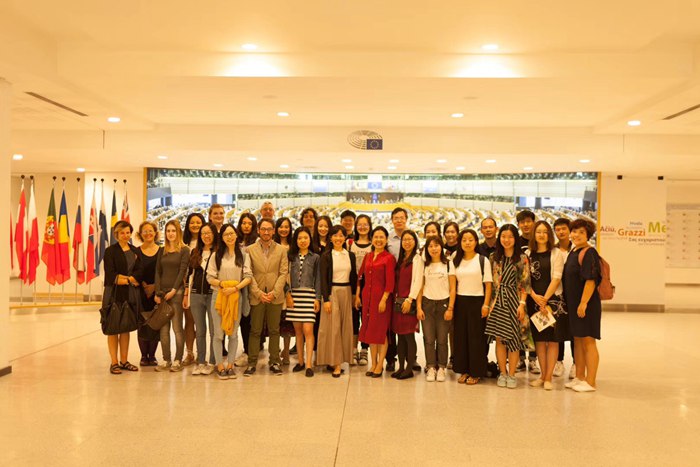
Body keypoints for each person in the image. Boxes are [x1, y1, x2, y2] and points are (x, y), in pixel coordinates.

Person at [485, 224, 531, 389]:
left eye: (510, 237)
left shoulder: (522, 258)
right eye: (503, 236)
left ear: (515, 239)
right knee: (500, 339)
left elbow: (525, 283)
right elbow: (490, 283)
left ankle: (512, 375)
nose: (506, 240)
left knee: (514, 340)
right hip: (497, 302)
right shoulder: (493, 257)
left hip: (515, 302)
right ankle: (502, 373)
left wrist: (522, 304)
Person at [244, 218, 289, 376]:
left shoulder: (281, 250)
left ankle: (275, 361)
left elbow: (283, 273)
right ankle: (252, 362)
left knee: (274, 330)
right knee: (255, 330)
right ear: (258, 230)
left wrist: (274, 293)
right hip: (257, 296)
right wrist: (258, 293)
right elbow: (248, 273)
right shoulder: (249, 250)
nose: (266, 232)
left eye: (269, 229)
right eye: (263, 229)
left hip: (275, 296)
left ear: (274, 231)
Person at [206, 224, 252, 379]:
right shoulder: (216, 255)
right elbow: (210, 277)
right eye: (226, 234)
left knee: (233, 333)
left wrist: (235, 288)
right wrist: (222, 284)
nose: (229, 237)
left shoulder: (243, 255)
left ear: (236, 235)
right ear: (222, 237)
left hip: (236, 297)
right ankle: (220, 366)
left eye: (232, 233)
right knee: (218, 334)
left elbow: (248, 277)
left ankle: (230, 365)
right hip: (218, 296)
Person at [562, 218, 602, 393]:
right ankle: (579, 377)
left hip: (586, 305)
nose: (576, 235)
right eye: (574, 231)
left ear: (588, 235)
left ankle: (591, 382)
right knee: (577, 341)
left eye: (581, 232)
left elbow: (591, 280)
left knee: (588, 341)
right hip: (574, 305)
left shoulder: (589, 252)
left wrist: (583, 303)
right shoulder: (573, 251)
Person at [526, 221, 565, 390]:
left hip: (553, 302)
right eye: (538, 232)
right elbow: (525, 279)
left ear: (549, 234)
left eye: (545, 232)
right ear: (533, 235)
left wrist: (545, 300)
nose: (541, 235)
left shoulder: (556, 253)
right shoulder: (528, 253)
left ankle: (549, 377)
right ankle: (543, 376)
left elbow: (557, 278)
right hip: (534, 301)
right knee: (540, 341)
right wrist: (535, 297)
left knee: (553, 340)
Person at [452, 229, 492, 385]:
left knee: (476, 339)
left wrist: (486, 305)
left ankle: (476, 372)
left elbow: (488, 285)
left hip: (477, 301)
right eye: (464, 240)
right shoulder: (456, 259)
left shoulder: (482, 260)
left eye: (470, 240)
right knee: (461, 338)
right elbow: (453, 284)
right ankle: (464, 370)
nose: (467, 243)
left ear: (476, 242)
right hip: (460, 302)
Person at [102, 220, 142, 374]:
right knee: (113, 328)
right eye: (122, 233)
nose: (125, 235)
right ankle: (114, 362)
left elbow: (139, 272)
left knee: (126, 328)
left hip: (130, 294)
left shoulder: (135, 251)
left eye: (128, 232)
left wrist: (129, 279)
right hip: (113, 293)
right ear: (116, 234)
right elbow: (111, 275)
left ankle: (124, 361)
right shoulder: (110, 251)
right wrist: (130, 280)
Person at [356, 226, 396, 378]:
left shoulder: (389, 258)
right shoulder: (368, 256)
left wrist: (384, 299)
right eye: (376, 237)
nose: (378, 240)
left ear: (386, 240)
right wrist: (358, 296)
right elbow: (360, 277)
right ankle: (373, 363)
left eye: (381, 237)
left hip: (382, 300)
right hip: (367, 298)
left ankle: (380, 365)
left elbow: (390, 282)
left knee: (381, 332)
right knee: (370, 331)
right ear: (372, 239)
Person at [318, 226, 357, 377]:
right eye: (335, 235)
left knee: (344, 327)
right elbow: (323, 279)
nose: (338, 238)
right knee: (333, 329)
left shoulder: (350, 255)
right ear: (331, 238)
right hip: (332, 292)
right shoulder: (326, 256)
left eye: (341, 235)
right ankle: (336, 363)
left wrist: (354, 295)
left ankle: (339, 359)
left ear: (345, 237)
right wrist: (326, 299)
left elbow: (353, 276)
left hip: (346, 292)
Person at [416, 235, 455, 383]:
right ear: (426, 249)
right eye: (430, 246)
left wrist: (450, 308)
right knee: (429, 339)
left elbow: (452, 288)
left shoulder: (448, 264)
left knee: (443, 339)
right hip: (427, 304)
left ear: (441, 247)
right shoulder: (425, 265)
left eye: (436, 245)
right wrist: (419, 307)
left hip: (444, 303)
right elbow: (420, 287)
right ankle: (431, 366)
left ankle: (442, 367)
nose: (434, 249)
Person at [154, 219, 190, 372]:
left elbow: (182, 271)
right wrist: (157, 292)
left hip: (177, 293)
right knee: (163, 330)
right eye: (168, 231)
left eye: (173, 231)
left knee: (177, 328)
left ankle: (177, 360)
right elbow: (157, 272)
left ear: (178, 232)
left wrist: (174, 290)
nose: (170, 233)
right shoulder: (162, 250)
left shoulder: (184, 250)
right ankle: (166, 359)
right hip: (162, 294)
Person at [286, 227, 321, 377]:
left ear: (310, 239)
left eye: (305, 238)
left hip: (309, 296)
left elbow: (318, 279)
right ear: (296, 240)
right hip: (294, 296)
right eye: (299, 238)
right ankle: (300, 362)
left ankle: (309, 365)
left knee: (308, 330)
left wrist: (317, 298)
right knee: (298, 331)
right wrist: (288, 294)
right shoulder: (290, 257)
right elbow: (285, 276)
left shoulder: (315, 257)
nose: (302, 241)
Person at [183, 222, 217, 376]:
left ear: (214, 234)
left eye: (209, 233)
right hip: (196, 294)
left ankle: (212, 362)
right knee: (200, 330)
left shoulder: (219, 252)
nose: (206, 236)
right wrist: (186, 294)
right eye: (203, 233)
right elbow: (189, 274)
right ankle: (201, 361)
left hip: (213, 294)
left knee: (214, 330)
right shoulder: (195, 252)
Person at [392, 230, 423, 380]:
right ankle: (401, 367)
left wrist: (410, 300)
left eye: (410, 239)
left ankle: (409, 368)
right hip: (398, 303)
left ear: (415, 242)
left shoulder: (417, 259)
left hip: (408, 302)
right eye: (405, 240)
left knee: (409, 336)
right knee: (400, 336)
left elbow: (418, 281)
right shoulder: (401, 259)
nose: (407, 242)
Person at [234, 212, 259, 367]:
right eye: (244, 223)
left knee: (250, 319)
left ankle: (250, 351)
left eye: (249, 223)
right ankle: (246, 349)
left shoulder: (256, 241)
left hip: (252, 284)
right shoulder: (235, 240)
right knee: (242, 318)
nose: (246, 226)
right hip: (237, 283)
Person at [385, 207, 408, 371]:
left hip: (407, 282)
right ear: (392, 220)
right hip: (392, 283)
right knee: (391, 321)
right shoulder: (388, 240)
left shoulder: (412, 237)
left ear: (406, 219)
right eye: (396, 218)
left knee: (407, 321)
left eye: (402, 218)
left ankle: (409, 357)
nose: (399, 220)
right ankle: (390, 358)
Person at [348, 214, 373, 366]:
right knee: (353, 319)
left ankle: (364, 349)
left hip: (369, 286)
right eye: (360, 224)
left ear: (370, 226)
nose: (362, 227)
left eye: (365, 224)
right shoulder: (350, 243)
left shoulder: (374, 244)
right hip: (352, 285)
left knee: (366, 319)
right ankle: (353, 349)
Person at [516, 209, 538, 373]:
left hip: (537, 290)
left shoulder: (539, 240)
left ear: (533, 222)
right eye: (522, 222)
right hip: (520, 289)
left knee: (536, 324)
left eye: (528, 221)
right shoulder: (516, 241)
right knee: (520, 323)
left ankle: (533, 359)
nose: (526, 224)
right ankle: (520, 358)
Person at [135, 220, 161, 367]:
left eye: (150, 230)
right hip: (140, 292)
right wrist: (143, 285)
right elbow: (133, 271)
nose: (148, 233)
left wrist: (155, 286)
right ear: (140, 234)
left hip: (157, 293)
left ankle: (152, 355)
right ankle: (144, 356)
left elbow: (164, 271)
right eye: (145, 231)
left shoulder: (162, 251)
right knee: (142, 324)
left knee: (155, 324)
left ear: (155, 233)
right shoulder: (136, 251)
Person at [182, 213, 206, 365]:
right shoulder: (183, 242)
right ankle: (189, 353)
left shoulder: (207, 240)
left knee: (201, 322)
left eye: (198, 222)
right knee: (190, 320)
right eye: (192, 222)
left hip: (202, 285)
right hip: (186, 285)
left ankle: (202, 354)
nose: (195, 225)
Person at [553, 217, 575, 379]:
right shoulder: (553, 250)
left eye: (564, 229)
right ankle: (558, 361)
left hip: (574, 295)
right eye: (558, 229)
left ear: (570, 230)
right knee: (558, 329)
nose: (561, 232)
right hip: (558, 295)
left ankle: (576, 363)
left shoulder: (578, 249)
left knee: (575, 331)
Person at [274, 217, 294, 364]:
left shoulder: (293, 246)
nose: (283, 229)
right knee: (275, 322)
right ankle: (275, 352)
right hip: (275, 286)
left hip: (290, 285)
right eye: (281, 226)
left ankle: (286, 351)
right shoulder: (272, 245)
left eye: (286, 227)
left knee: (288, 321)